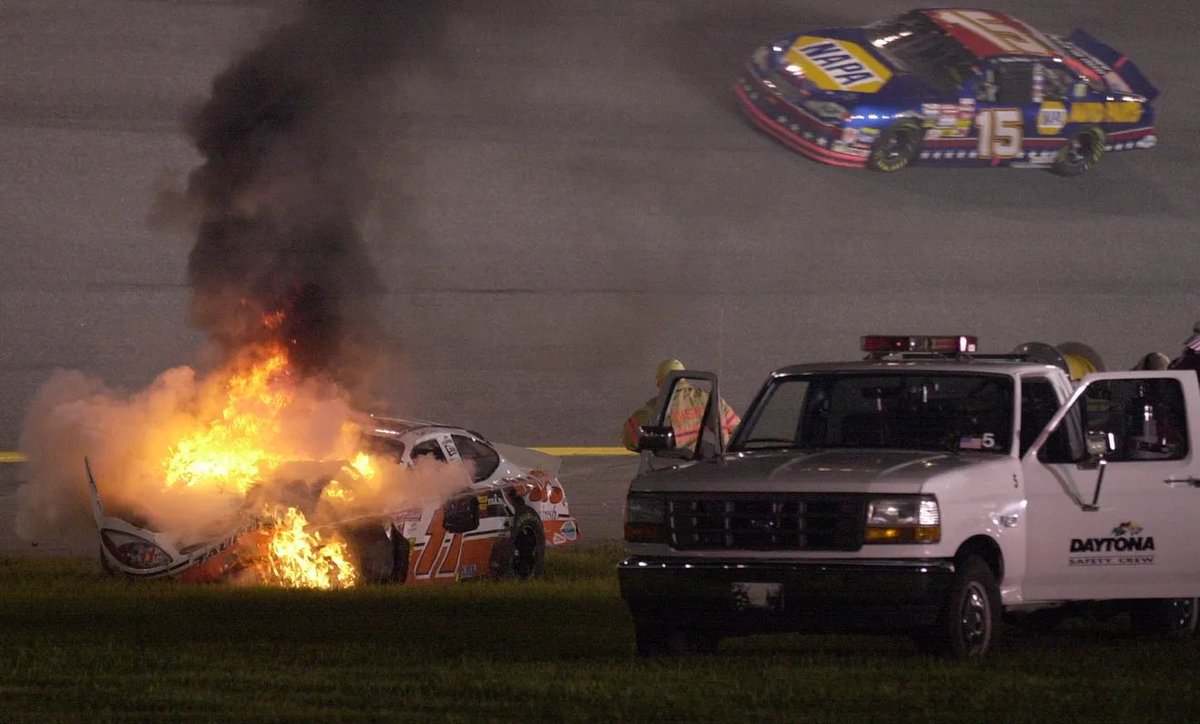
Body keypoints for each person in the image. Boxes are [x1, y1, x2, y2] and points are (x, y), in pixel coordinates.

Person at [620, 358, 740, 452]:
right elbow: (737, 430)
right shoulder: (710, 398)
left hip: (674, 470)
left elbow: (629, 437)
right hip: (713, 467)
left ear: (660, 382)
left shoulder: (656, 407)